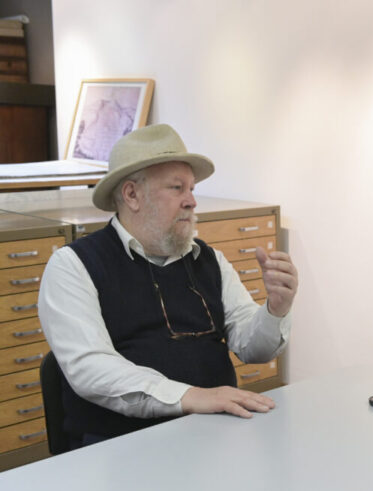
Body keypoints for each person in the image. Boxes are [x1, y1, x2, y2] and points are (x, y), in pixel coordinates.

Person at [38, 124, 298, 448]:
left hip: (214, 438)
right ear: (132, 195)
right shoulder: (74, 266)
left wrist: (275, 309)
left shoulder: (209, 260)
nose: (191, 201)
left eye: (191, 189)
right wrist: (190, 397)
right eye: (177, 188)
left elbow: (253, 347)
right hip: (120, 447)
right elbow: (92, 368)